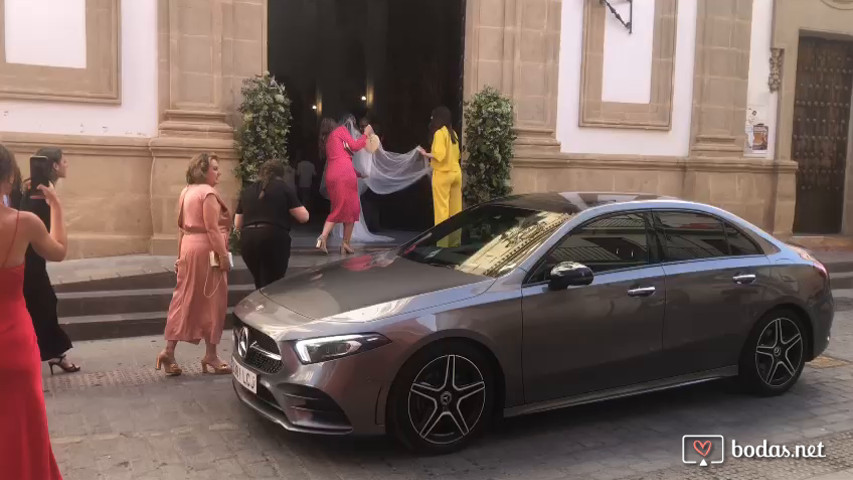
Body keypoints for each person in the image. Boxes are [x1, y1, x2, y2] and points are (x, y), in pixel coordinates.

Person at [0, 144, 66, 480]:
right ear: (10, 177)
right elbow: (59, 251)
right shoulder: (23, 222)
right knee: (25, 426)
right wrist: (56, 206)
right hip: (14, 340)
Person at [157, 152, 232, 377]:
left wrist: (179, 256)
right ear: (203, 170)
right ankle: (211, 355)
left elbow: (181, 228)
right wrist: (224, 256)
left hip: (189, 248)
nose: (218, 173)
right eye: (215, 168)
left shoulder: (186, 191)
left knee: (182, 299)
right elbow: (211, 228)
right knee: (214, 301)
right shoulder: (208, 193)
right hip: (206, 250)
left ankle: (169, 351)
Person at [13, 148, 79, 374]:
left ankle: (52, 354)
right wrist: (56, 206)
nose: (67, 164)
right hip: (30, 261)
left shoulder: (33, 189)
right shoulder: (39, 194)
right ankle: (54, 354)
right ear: (54, 166)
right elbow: (56, 247)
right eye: (64, 161)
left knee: (43, 305)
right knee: (44, 305)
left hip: (32, 260)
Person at [235, 159, 309, 289]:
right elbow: (304, 217)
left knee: (259, 281)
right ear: (281, 174)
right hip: (273, 238)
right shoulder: (283, 188)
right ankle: (269, 308)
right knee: (274, 283)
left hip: (248, 240)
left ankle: (259, 306)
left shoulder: (247, 190)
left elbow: (237, 223)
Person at [315, 114, 373, 255]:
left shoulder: (328, 140)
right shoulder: (340, 131)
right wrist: (365, 135)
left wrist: (358, 174)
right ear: (334, 125)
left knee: (347, 209)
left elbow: (341, 159)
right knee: (344, 209)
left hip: (335, 175)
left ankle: (345, 244)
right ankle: (322, 238)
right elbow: (355, 146)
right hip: (344, 176)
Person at [417, 106, 462, 227]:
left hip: (443, 174)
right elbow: (457, 155)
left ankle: (442, 242)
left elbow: (439, 155)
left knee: (442, 211)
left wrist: (425, 153)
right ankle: (454, 242)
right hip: (456, 173)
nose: (431, 118)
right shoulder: (454, 134)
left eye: (433, 116)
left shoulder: (439, 133)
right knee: (455, 211)